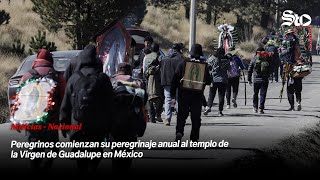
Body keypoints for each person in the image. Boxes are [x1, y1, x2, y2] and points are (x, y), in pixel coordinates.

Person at [59, 44, 113, 173]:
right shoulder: (103, 78)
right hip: (98, 126)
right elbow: (110, 104)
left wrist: (63, 124)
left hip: (77, 126)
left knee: (80, 160)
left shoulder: (74, 78)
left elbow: (66, 103)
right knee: (95, 155)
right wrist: (110, 126)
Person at [20, 49, 66, 171]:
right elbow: (64, 98)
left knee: (34, 150)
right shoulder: (57, 76)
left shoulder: (27, 75)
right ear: (50, 61)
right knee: (51, 150)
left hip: (32, 121)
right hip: (51, 121)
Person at [111, 63, 147, 172]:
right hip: (132, 124)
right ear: (129, 71)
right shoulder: (138, 83)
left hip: (115, 124)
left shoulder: (110, 81)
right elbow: (144, 102)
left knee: (115, 153)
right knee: (128, 155)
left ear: (118, 71)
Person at [171, 44, 211, 142]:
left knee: (181, 116)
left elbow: (175, 79)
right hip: (197, 96)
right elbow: (209, 81)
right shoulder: (203, 65)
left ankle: (179, 132)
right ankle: (194, 138)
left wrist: (173, 95)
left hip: (183, 95)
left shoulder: (183, 63)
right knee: (196, 118)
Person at [160, 43, 185, 126]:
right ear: (179, 49)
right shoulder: (181, 58)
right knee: (178, 99)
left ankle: (167, 118)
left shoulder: (165, 57)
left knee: (167, 99)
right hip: (177, 81)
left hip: (166, 81)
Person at [204, 47, 230, 116]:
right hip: (223, 80)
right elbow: (229, 69)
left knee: (211, 95)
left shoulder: (212, 58)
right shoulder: (226, 60)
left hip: (213, 80)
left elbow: (207, 65)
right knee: (221, 96)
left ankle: (208, 107)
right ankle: (220, 111)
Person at [247, 47, 273, 114]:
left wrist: (249, 79)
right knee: (263, 94)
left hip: (256, 80)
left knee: (255, 94)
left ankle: (255, 107)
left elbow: (249, 70)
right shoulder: (267, 59)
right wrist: (269, 77)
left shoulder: (254, 59)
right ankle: (261, 108)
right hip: (264, 80)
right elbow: (270, 69)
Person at [145, 43, 164, 123]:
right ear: (158, 49)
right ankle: (158, 115)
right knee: (159, 97)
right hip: (158, 79)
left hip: (149, 78)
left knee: (150, 98)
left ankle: (152, 116)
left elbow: (144, 68)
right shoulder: (160, 57)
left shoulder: (146, 57)